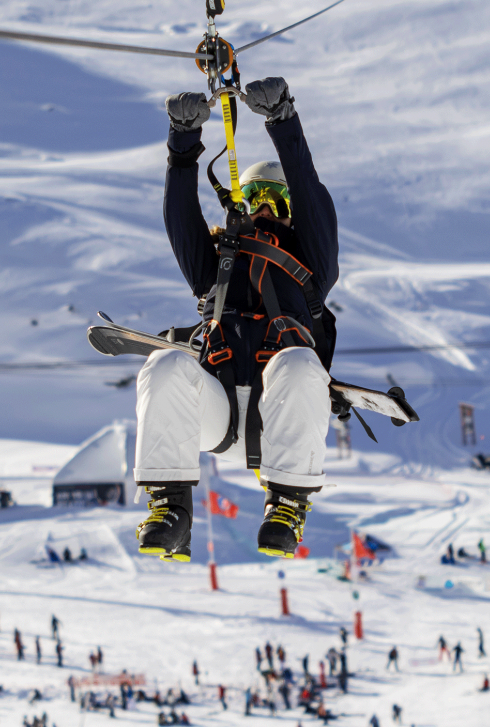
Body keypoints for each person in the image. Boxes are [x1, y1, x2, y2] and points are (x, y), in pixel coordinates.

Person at [133, 79, 339, 563]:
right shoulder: (215, 264)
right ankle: (171, 508)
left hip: (279, 421)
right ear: (239, 202)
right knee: (164, 365)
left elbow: (311, 192)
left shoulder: (313, 265)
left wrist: (284, 123)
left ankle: (287, 504)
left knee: (301, 366)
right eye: (255, 196)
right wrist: (182, 144)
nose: (265, 207)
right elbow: (180, 219)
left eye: (277, 199)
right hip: (216, 411)